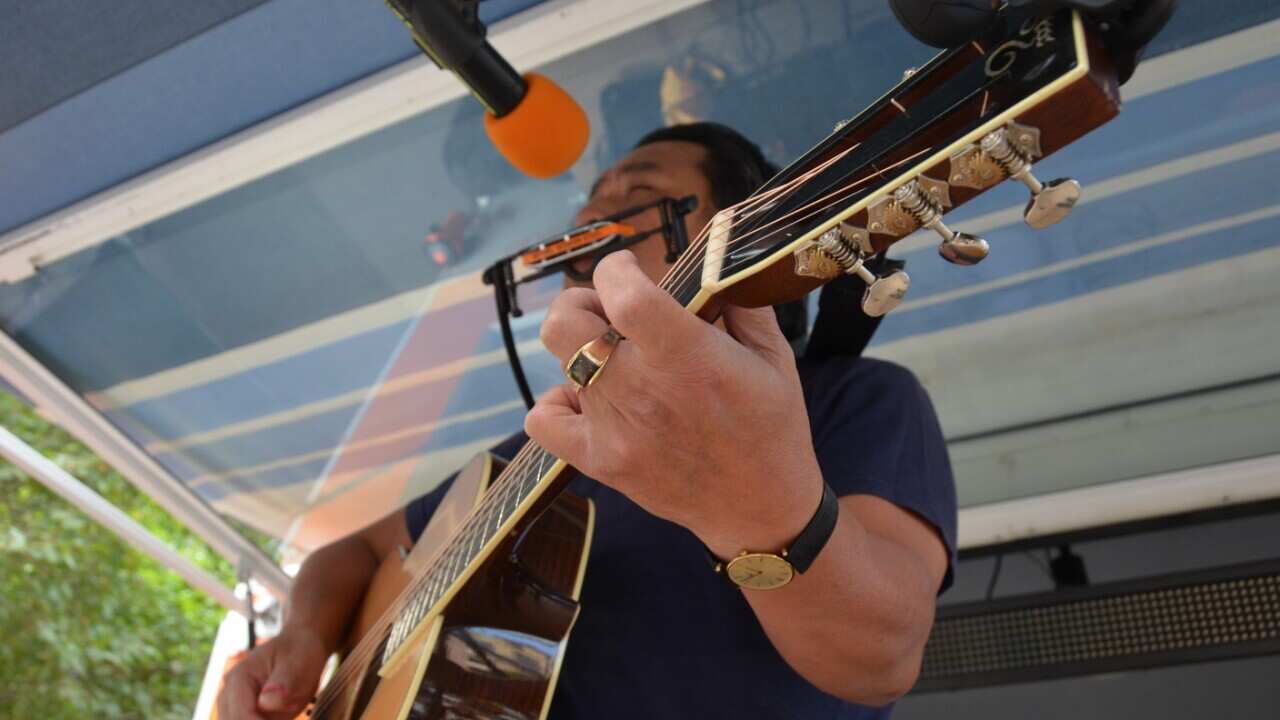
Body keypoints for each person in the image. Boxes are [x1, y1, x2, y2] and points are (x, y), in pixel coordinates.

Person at [218, 122, 957, 719]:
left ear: (734, 226)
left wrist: (755, 502)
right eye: (588, 206)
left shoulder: (853, 398)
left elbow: (881, 660)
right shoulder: (545, 440)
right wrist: (305, 640)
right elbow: (348, 554)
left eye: (638, 194)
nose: (592, 220)